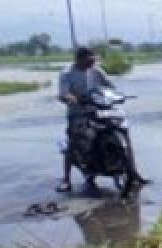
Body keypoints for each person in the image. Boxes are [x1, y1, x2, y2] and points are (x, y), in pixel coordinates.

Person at [57, 47, 147, 193]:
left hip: (101, 109)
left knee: (124, 133)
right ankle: (66, 180)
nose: (91, 64)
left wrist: (118, 96)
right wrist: (72, 99)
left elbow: (111, 87)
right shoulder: (67, 73)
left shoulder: (97, 71)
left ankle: (133, 172)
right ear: (78, 59)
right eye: (88, 61)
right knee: (74, 141)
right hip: (79, 112)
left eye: (93, 60)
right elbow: (63, 93)